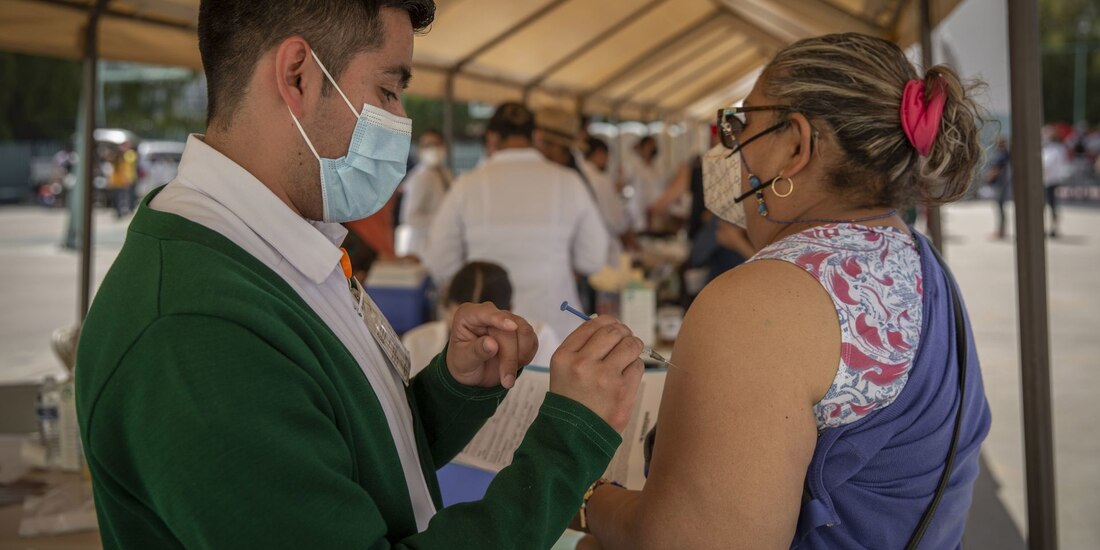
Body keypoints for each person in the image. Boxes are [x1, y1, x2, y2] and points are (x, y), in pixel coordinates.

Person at [75, 3, 646, 548]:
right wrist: (570, 439)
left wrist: (451, 391)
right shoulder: (195, 331)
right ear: (297, 75)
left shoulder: (271, 248)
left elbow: (342, 453)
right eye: (389, 91)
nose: (400, 120)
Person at [579, 33, 991, 549]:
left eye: (740, 126)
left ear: (795, 145)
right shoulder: (920, 262)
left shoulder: (761, 301)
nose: (730, 150)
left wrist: (588, 496)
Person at [426, 102, 610, 340]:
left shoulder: (467, 185)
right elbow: (592, 259)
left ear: (491, 138)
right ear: (536, 135)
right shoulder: (568, 182)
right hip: (557, 331)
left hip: (488, 334)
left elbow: (440, 262)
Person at [403, 261, 559, 375]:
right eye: (463, 327)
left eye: (487, 330)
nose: (475, 342)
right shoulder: (417, 342)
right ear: (445, 310)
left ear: (510, 314)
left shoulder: (539, 339)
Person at [397, 129, 452, 258]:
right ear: (420, 150)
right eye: (427, 146)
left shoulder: (446, 174)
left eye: (436, 144)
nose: (432, 149)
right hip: (422, 246)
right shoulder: (421, 176)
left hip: (440, 242)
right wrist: (443, 220)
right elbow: (410, 217)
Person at [623, 135, 665, 232]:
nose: (653, 149)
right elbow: (623, 182)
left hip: (655, 212)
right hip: (639, 212)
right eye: (650, 145)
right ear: (643, 147)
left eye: (654, 145)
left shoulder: (658, 167)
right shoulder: (633, 165)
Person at [1041, 126, 1069, 238]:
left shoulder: (1055, 148)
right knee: (1051, 205)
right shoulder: (1056, 148)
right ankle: (1050, 227)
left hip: (1049, 180)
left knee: (1051, 205)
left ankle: (1053, 227)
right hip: (1050, 179)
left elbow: (1047, 164)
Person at [984, 136, 1012, 239]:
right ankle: (1001, 230)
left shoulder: (1002, 154)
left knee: (1000, 207)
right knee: (1001, 207)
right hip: (1003, 183)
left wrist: (988, 177)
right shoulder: (1007, 153)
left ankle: (1001, 231)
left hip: (1000, 184)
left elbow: (996, 168)